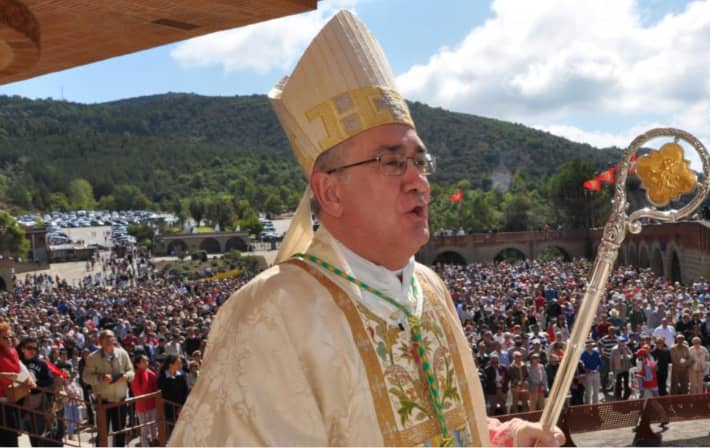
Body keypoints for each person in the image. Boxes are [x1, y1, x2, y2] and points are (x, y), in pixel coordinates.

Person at [168, 10, 564, 447]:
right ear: (330, 191)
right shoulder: (272, 312)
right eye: (392, 162)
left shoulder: (429, 289)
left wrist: (504, 435)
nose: (419, 181)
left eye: (419, 162)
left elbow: (444, 426)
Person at [82, 329, 135, 447]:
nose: (109, 340)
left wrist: (126, 377)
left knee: (120, 432)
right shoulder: (92, 357)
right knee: (102, 433)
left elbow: (131, 370)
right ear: (100, 341)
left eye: (111, 337)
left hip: (121, 400)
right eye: (105, 337)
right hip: (103, 402)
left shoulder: (122, 353)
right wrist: (101, 378)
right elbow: (86, 377)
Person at [0, 321, 36, 447]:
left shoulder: (13, 351)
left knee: (12, 434)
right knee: (8, 436)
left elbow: (21, 367)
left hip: (13, 399)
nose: (9, 340)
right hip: (2, 401)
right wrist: (3, 375)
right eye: (5, 338)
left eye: (10, 337)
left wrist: (29, 378)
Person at [131, 354, 159, 447]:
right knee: (144, 430)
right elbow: (140, 391)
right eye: (143, 361)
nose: (146, 363)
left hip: (152, 404)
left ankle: (154, 444)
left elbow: (155, 387)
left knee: (153, 428)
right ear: (137, 364)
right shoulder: (136, 374)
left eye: (147, 360)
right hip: (142, 406)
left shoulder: (150, 372)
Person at [158, 354, 189, 436]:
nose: (180, 365)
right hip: (168, 410)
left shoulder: (181, 376)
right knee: (171, 433)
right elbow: (163, 395)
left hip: (180, 408)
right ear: (171, 364)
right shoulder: (162, 378)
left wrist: (181, 406)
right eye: (178, 363)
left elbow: (185, 392)